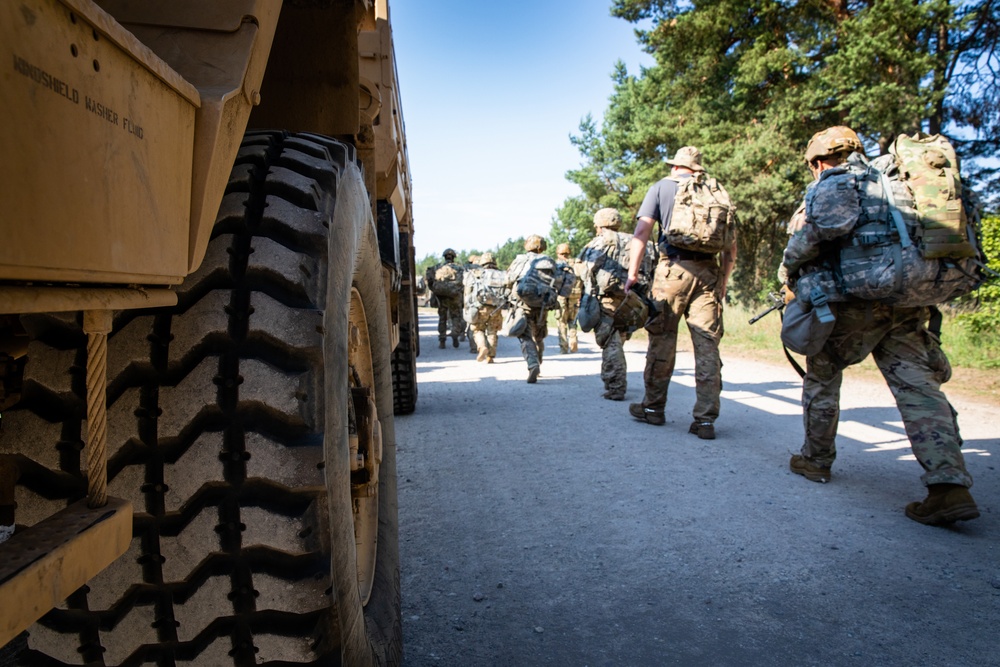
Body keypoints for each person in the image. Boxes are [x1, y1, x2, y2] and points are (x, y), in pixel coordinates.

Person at [780, 125, 978, 526]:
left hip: (852, 303)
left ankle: (816, 460)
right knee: (917, 385)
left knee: (822, 373)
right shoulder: (896, 183)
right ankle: (948, 485)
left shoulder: (838, 181)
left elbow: (819, 233)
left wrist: (788, 267)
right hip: (905, 302)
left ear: (818, 161)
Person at [625, 146, 737, 439]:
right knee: (708, 346)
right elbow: (731, 248)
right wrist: (722, 280)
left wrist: (632, 274)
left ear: (675, 167)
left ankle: (653, 408)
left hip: (673, 271)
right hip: (709, 274)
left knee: (662, 339)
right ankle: (705, 420)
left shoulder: (662, 187)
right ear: (697, 168)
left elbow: (641, 232)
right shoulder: (715, 192)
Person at [579, 208, 650, 400]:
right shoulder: (637, 241)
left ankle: (616, 385)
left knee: (610, 341)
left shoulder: (599, 242)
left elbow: (585, 271)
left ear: (599, 225)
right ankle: (613, 378)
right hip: (634, 300)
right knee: (620, 337)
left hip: (608, 299)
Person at [505, 234, 552, 384]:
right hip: (541, 304)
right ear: (542, 246)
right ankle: (539, 360)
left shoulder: (520, 260)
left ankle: (532, 363)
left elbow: (508, 279)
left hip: (522, 304)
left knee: (524, 335)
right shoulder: (548, 261)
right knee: (539, 335)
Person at [464, 252, 505, 363]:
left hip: (480, 307)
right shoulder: (501, 274)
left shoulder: (476, 274)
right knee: (492, 332)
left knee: (478, 330)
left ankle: (482, 347)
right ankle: (490, 357)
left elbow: (468, 292)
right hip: (496, 308)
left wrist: (467, 306)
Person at [425, 248, 465, 349]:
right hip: (455, 297)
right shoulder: (459, 268)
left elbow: (429, 279)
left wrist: (434, 290)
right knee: (456, 317)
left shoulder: (438, 267)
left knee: (442, 318)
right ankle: (455, 336)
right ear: (454, 257)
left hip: (441, 297)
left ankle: (442, 341)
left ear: (444, 257)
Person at [555, 243, 584, 354]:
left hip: (561, 297)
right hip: (575, 297)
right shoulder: (577, 265)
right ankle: (573, 343)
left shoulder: (556, 266)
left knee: (561, 322)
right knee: (572, 321)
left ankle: (563, 347)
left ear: (558, 253)